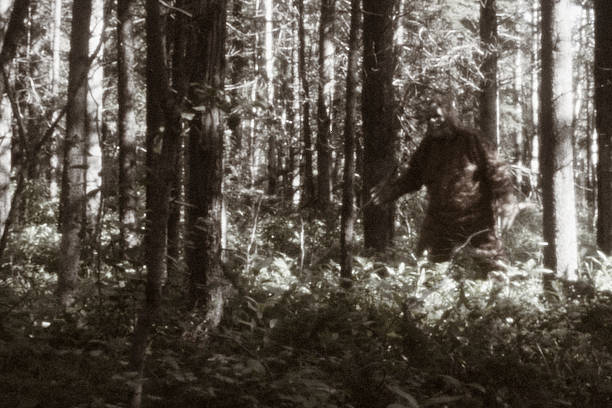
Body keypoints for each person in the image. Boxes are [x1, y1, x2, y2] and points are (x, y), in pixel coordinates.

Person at [370, 101, 518, 275]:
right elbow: (413, 177)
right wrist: (390, 191)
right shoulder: (428, 145)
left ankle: (504, 289)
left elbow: (497, 170)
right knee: (427, 267)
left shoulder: (471, 139)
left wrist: (506, 200)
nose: (432, 121)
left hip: (475, 217)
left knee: (492, 265)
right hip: (439, 219)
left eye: (437, 116)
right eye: (429, 118)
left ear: (450, 116)